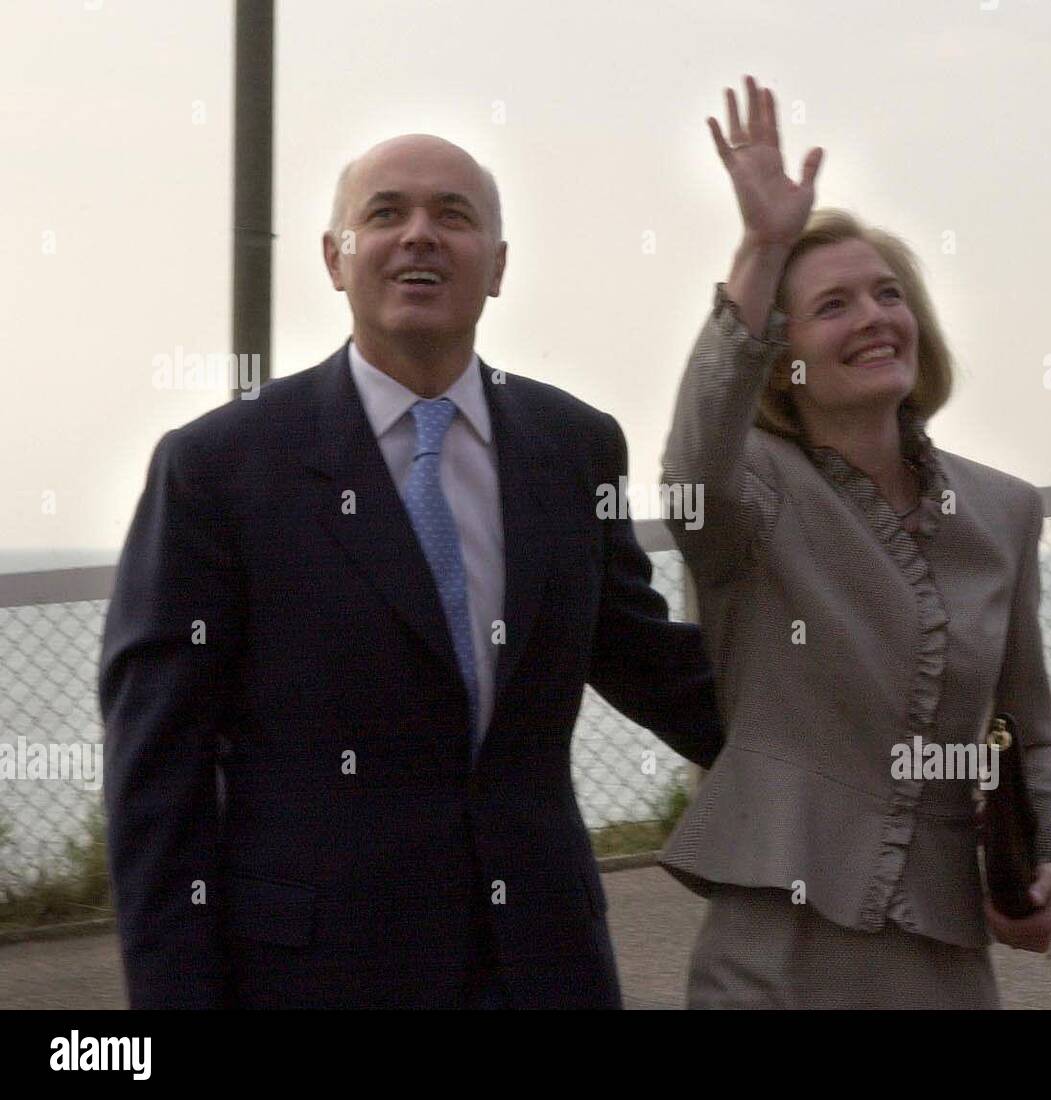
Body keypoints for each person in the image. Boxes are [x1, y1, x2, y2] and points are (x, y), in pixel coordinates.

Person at [99, 133, 723, 1009]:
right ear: (335, 258)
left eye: (453, 216)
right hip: (317, 975)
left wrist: (860, 750)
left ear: (497, 265)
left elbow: (647, 660)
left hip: (544, 964)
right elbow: (157, 771)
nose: (420, 235)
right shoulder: (220, 466)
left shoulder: (572, 446)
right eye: (385, 213)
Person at [658, 77, 1051, 1009]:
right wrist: (764, 245)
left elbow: (1031, 729)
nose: (873, 318)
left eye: (887, 295)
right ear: (786, 360)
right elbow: (692, 471)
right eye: (834, 306)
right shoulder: (751, 494)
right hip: (775, 933)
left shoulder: (1004, 511)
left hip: (941, 938)